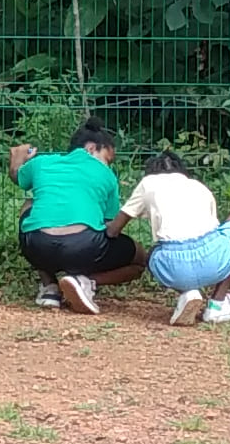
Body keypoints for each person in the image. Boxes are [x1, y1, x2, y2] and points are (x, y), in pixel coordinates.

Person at [7, 119, 137, 314]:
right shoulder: (106, 175)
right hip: (84, 246)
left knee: (29, 205)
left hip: (36, 245)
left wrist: (17, 155)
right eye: (107, 159)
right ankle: (86, 281)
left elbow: (17, 176)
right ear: (91, 148)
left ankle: (49, 287)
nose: (108, 166)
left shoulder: (41, 163)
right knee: (139, 260)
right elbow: (110, 225)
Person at [119, 152, 230, 326]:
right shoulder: (199, 187)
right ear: (182, 171)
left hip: (171, 267)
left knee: (152, 253)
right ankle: (217, 304)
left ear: (151, 173)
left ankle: (188, 293)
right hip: (214, 260)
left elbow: (115, 228)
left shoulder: (148, 184)